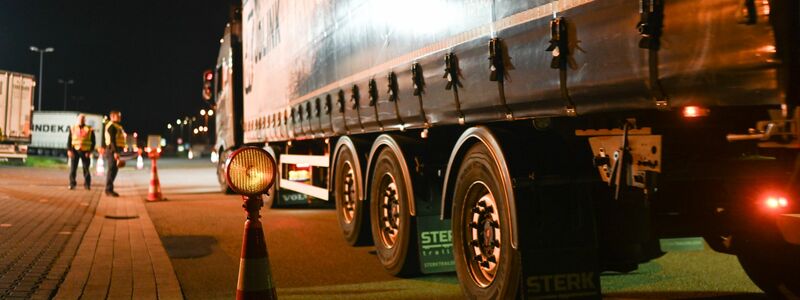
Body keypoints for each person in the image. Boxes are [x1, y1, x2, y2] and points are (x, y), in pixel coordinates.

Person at [67, 114, 96, 190]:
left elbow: (93, 141)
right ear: (77, 119)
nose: (81, 120)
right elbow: (69, 140)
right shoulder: (73, 128)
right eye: (80, 119)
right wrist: (69, 150)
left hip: (85, 151)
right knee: (73, 169)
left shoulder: (89, 129)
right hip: (74, 151)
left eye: (83, 119)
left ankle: (87, 185)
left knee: (86, 169)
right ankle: (72, 184)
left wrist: (90, 151)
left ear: (85, 120)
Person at [104, 110, 127, 197]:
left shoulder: (118, 126)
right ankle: (108, 190)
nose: (120, 117)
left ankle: (110, 189)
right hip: (112, 150)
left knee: (115, 170)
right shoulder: (111, 126)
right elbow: (112, 140)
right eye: (118, 116)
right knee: (112, 170)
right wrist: (115, 152)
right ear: (112, 116)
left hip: (117, 150)